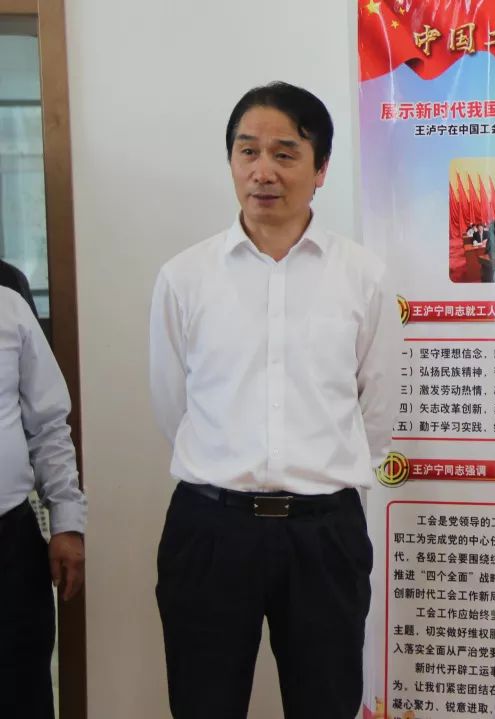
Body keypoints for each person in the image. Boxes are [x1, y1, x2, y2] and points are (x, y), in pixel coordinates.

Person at [149, 81, 394, 719]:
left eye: (285, 153)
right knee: (203, 703)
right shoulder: (184, 277)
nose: (263, 171)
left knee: (326, 703)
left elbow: (378, 408)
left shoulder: (362, 276)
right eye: (248, 151)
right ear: (231, 160)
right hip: (210, 528)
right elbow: (172, 403)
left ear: (321, 169)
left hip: (324, 534)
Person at [0, 285, 86, 719]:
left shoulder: (9, 309)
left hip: (8, 541)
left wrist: (67, 522)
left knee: (21, 692)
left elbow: (49, 426)